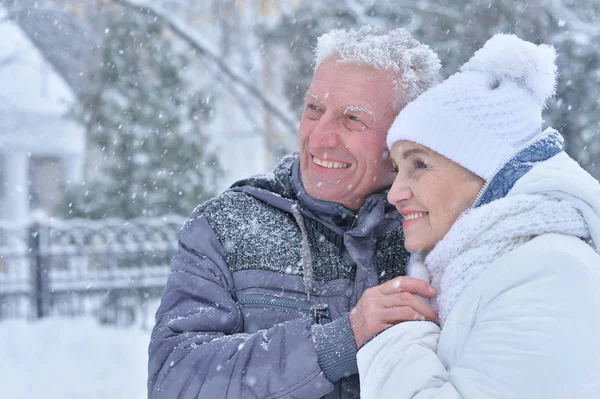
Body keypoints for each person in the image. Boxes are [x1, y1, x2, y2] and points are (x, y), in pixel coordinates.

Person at [148, 26, 442, 399]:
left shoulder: (436, 230)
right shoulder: (227, 226)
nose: (319, 138)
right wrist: (340, 339)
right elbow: (175, 382)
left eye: (352, 119)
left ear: (406, 135)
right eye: (314, 109)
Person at [357, 33, 600, 398]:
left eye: (419, 164)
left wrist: (394, 333)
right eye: (396, 169)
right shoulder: (481, 271)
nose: (395, 193)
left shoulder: (549, 272)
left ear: (487, 171)